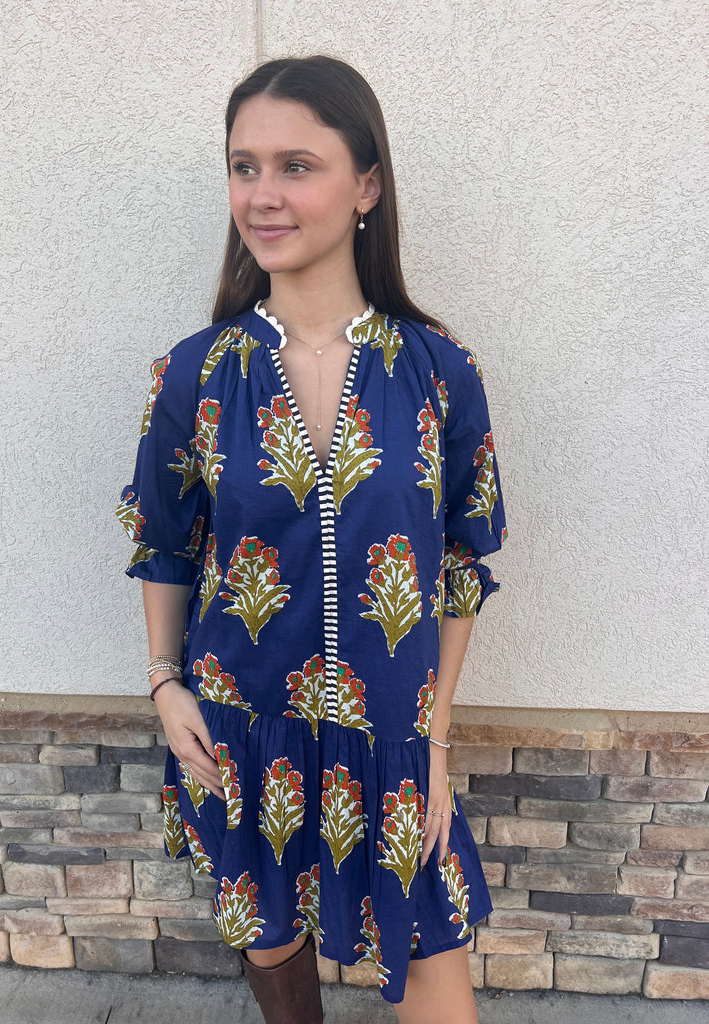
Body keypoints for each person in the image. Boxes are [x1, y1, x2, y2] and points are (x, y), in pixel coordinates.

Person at [116, 55, 506, 1024]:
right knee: (272, 943)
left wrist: (435, 740)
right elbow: (166, 543)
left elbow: (462, 563)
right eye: (243, 167)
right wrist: (165, 686)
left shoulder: (438, 370)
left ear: (366, 185)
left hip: (393, 740)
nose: (264, 194)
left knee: (436, 965)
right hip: (241, 728)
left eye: (297, 166)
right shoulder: (195, 373)